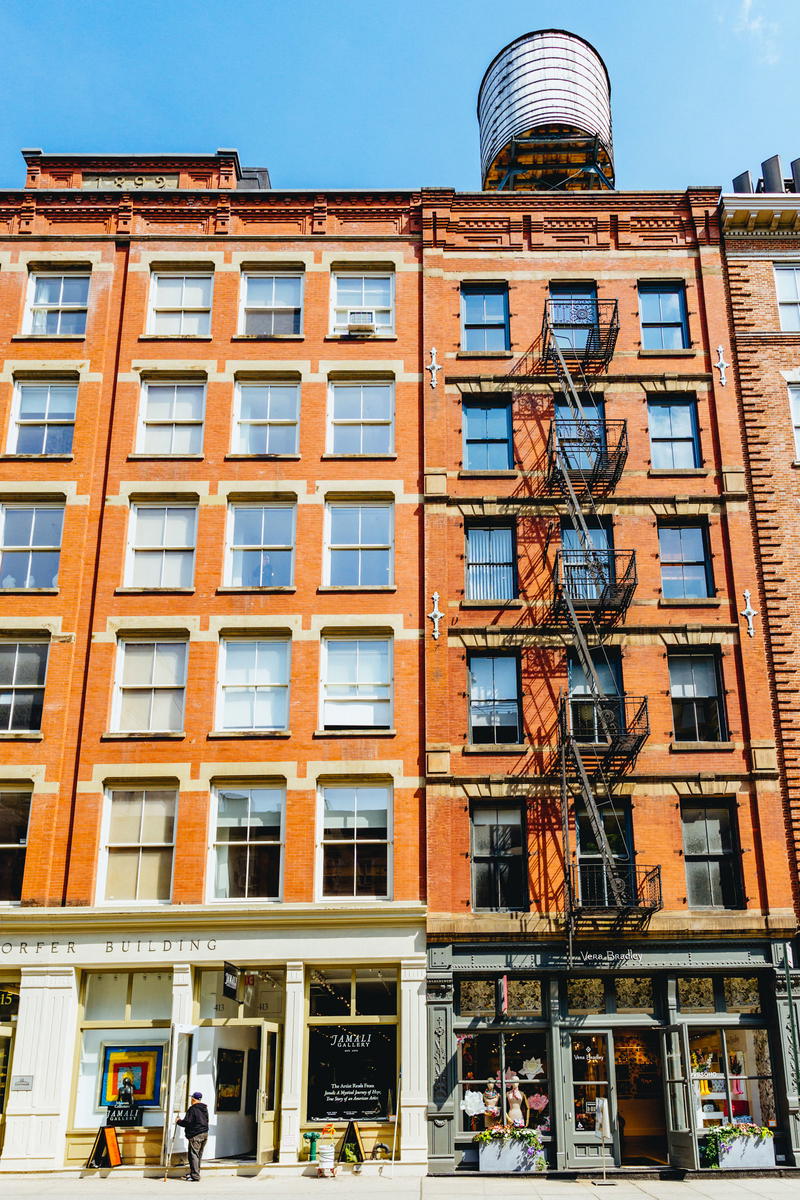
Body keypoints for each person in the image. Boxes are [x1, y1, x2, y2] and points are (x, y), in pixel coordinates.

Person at [177, 1091, 209, 1182]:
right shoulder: (204, 1108)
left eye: (192, 1098)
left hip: (196, 1135)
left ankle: (195, 1176)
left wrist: (178, 1121)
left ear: (193, 1099)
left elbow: (187, 1122)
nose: (191, 1100)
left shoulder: (193, 1109)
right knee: (198, 1155)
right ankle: (195, 1173)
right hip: (205, 1134)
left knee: (193, 1155)